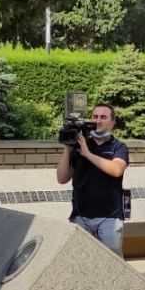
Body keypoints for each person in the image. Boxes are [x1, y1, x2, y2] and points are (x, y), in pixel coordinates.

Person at [55, 102, 128, 256]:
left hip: (110, 218)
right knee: (82, 265)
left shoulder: (118, 147)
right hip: (81, 216)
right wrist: (68, 148)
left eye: (103, 117)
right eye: (95, 116)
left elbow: (117, 170)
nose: (98, 120)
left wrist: (88, 154)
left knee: (112, 267)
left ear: (112, 123)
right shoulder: (80, 146)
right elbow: (62, 178)